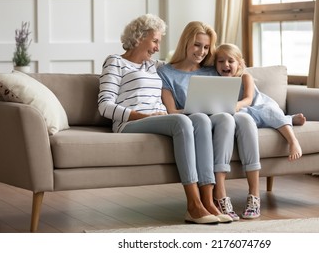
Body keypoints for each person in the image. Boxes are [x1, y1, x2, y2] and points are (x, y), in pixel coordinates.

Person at [97, 14, 232, 224]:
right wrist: (143, 115)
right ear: (139, 37)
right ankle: (193, 205)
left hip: (158, 120)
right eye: (155, 41)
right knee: (182, 121)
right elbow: (104, 105)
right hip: (131, 122)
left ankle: (208, 200)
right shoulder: (115, 62)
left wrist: (213, 59)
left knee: (200, 119)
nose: (158, 47)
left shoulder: (155, 66)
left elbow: (181, 66)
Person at [157, 21, 261, 220]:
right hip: (196, 121)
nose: (202, 51)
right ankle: (219, 196)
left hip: (222, 116)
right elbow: (172, 110)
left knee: (239, 120)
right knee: (218, 119)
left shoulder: (212, 69)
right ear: (185, 43)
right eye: (197, 45)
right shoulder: (166, 73)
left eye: (206, 47)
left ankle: (251, 195)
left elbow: (237, 70)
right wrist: (196, 109)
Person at [214, 43, 306, 161]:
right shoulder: (216, 81)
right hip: (243, 112)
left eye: (230, 61)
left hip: (258, 105)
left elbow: (248, 99)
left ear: (239, 64)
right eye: (220, 61)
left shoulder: (245, 77)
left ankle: (293, 141)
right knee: (240, 118)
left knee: (268, 112)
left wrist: (237, 105)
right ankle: (289, 119)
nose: (225, 64)